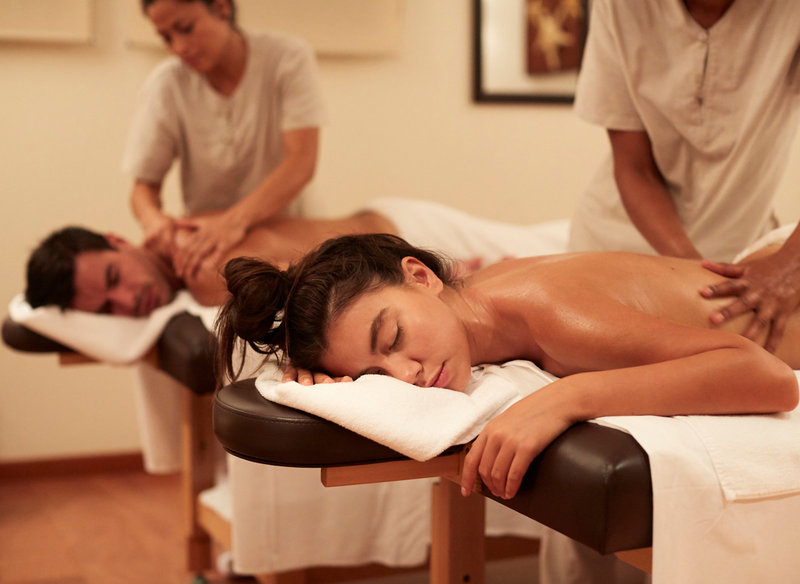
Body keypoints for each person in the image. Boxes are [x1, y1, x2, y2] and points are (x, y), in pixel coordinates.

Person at [215, 232, 799, 452]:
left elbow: (768, 379)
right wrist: (316, 376)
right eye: (374, 375)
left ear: (420, 275)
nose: (406, 375)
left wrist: (563, 400)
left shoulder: (549, 312)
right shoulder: (475, 304)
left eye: (392, 337)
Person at [568, 0, 800, 357]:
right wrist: (690, 274)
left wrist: (790, 263)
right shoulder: (620, 6)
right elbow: (635, 168)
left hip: (746, 258)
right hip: (617, 248)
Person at [23, 198, 567, 316]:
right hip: (394, 229)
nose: (128, 300)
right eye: (108, 307)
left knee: (562, 255)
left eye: (113, 277)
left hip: (407, 237)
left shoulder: (204, 267)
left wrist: (444, 274)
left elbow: (318, 279)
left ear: (118, 241)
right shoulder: (186, 247)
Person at [123, 0, 325, 280]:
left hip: (291, 235)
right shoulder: (167, 84)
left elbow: (301, 161)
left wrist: (233, 223)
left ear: (221, 7)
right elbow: (143, 187)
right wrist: (153, 221)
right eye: (166, 37)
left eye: (186, 28)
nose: (178, 47)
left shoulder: (287, 58)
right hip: (212, 247)